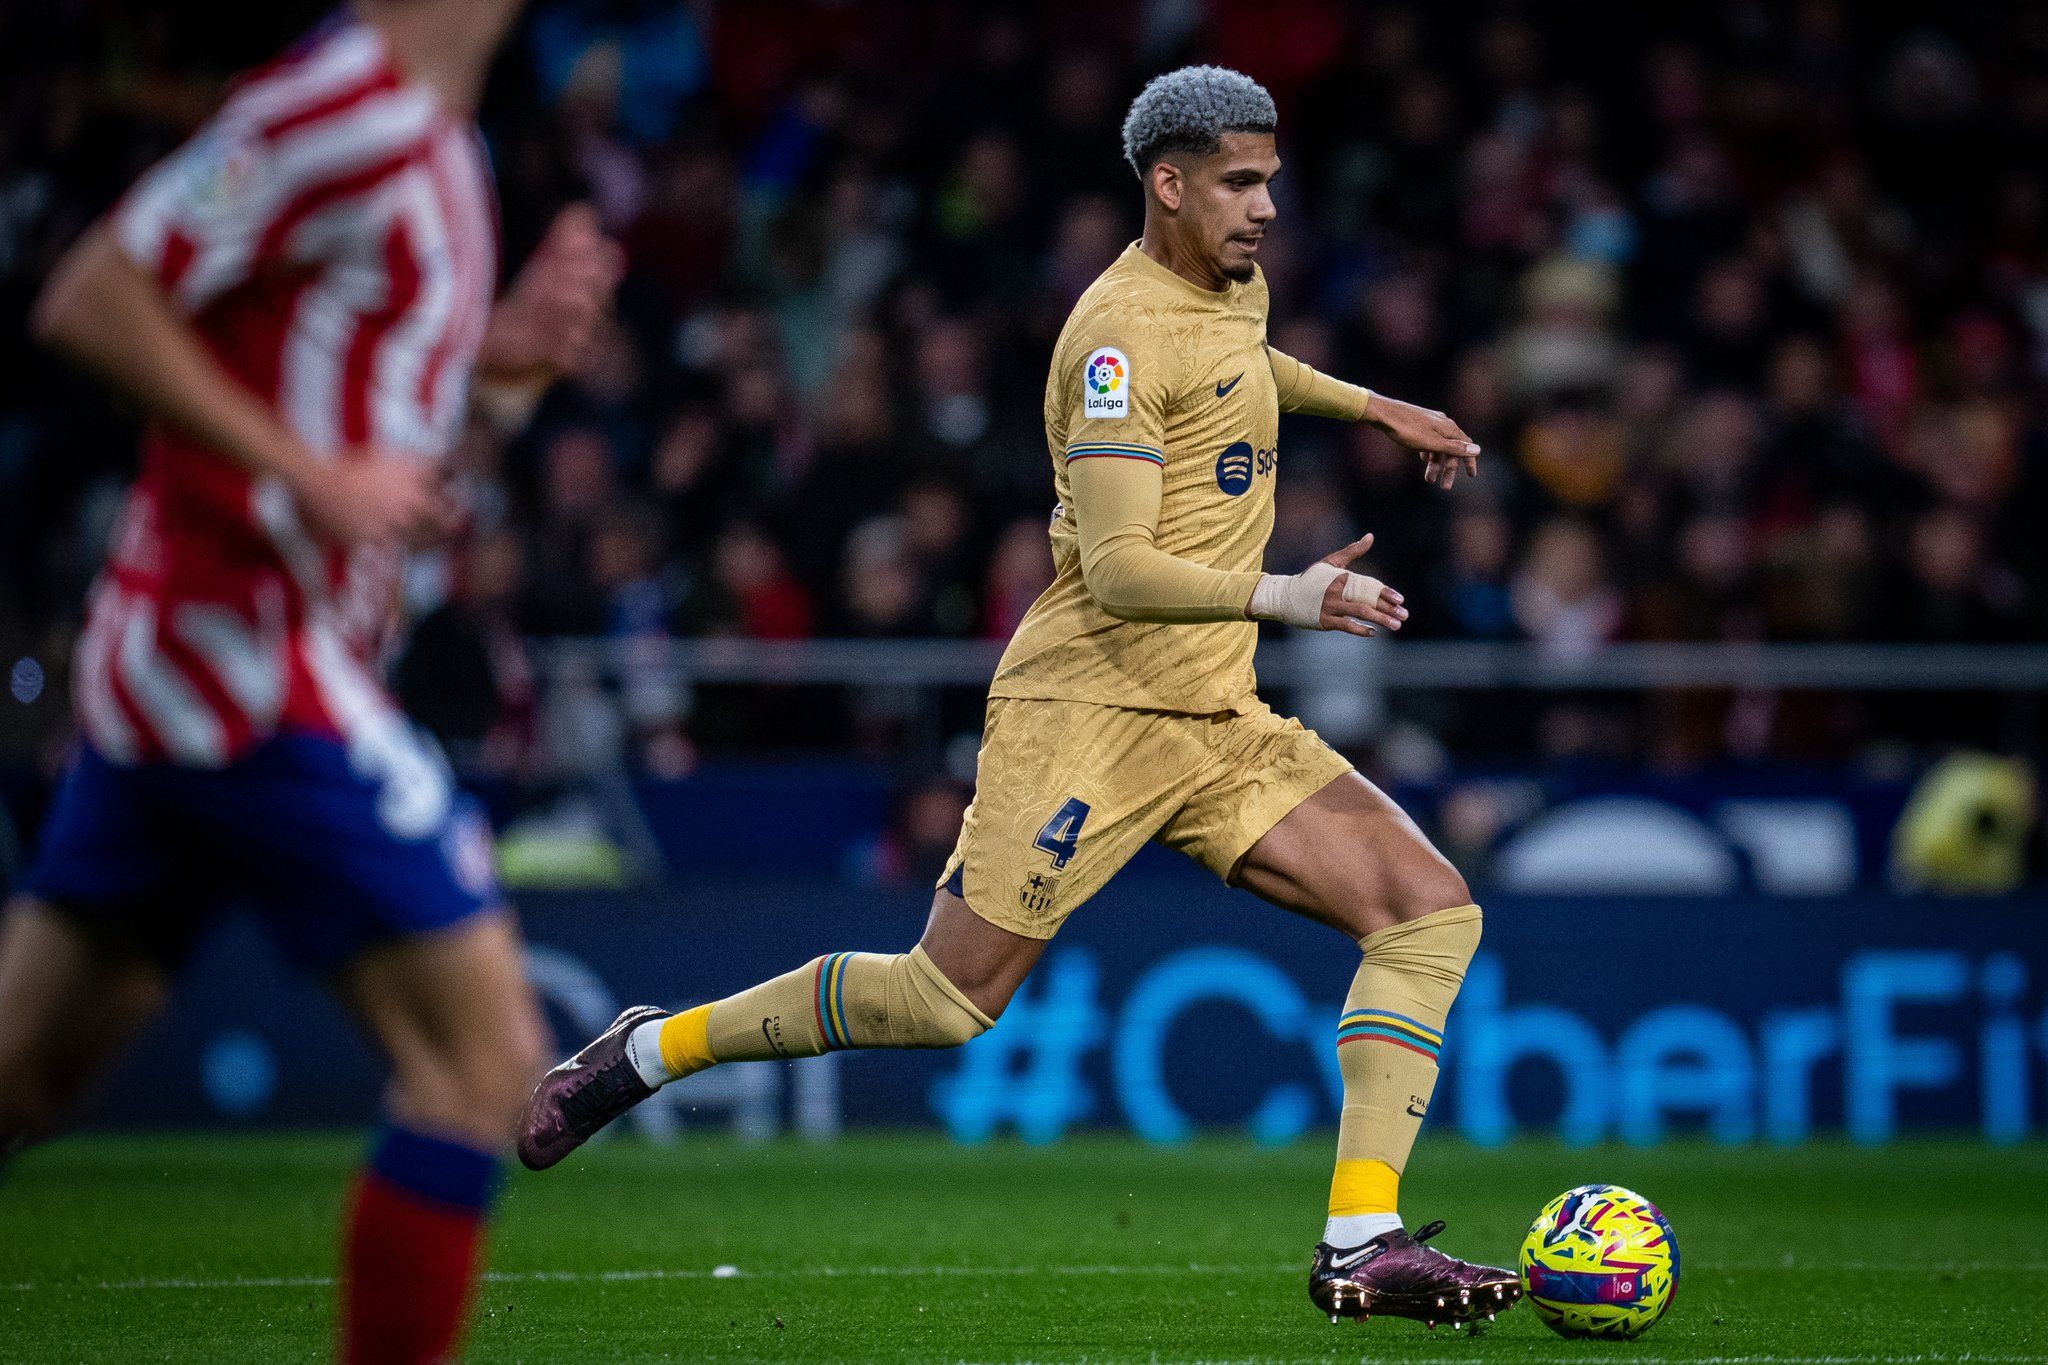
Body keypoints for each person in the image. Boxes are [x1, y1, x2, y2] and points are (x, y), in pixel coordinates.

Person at [521, 65, 1518, 1331]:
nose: (1268, 207)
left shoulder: (1227, 290)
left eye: (1270, 178)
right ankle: (651, 1050)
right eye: (1240, 182)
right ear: (1166, 184)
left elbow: (1244, 366)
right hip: (1089, 711)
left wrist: (1375, 407)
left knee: (1427, 914)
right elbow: (1115, 568)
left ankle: (1359, 1239)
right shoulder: (1110, 338)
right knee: (946, 999)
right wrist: (1288, 598)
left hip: (1214, 718)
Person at [0, 4, 622, 1361]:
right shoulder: (337, 113)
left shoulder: (448, 160)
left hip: (224, 661)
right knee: (480, 1060)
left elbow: (386, 470)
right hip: (238, 661)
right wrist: (307, 475)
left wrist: (497, 383)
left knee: (26, 1077)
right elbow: (94, 291)